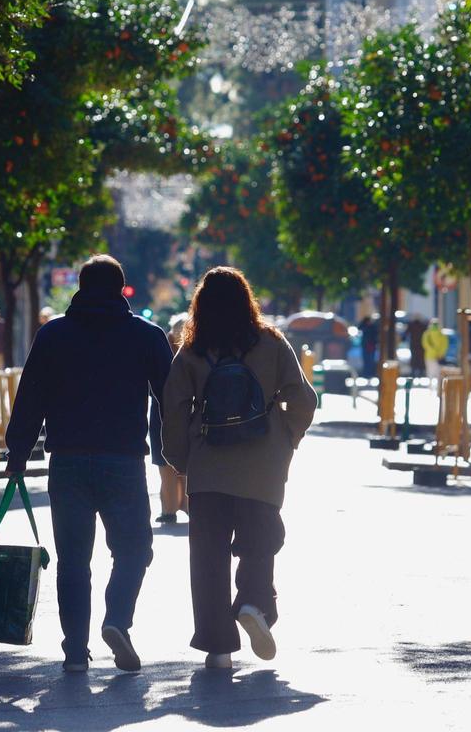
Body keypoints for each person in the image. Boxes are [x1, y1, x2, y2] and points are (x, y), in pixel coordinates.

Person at [5, 255, 172, 674]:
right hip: (123, 461)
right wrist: (179, 451)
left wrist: (18, 452)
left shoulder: (54, 335)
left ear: (80, 285)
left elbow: (31, 398)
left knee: (74, 559)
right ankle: (116, 619)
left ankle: (75, 651)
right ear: (121, 288)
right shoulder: (146, 336)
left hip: (68, 462)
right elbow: (170, 399)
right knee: (134, 549)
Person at [161, 267, 317, 670]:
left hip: (209, 467)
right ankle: (254, 604)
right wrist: (285, 440)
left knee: (208, 557)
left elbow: (174, 409)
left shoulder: (192, 349)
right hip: (262, 465)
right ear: (247, 300)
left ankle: (218, 648)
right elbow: (303, 400)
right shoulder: (271, 342)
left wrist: (180, 459)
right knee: (259, 542)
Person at [153, 314, 188, 525]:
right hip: (183, 413)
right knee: (182, 462)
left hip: (162, 413)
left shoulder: (164, 351)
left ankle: (170, 508)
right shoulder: (196, 353)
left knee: (165, 463)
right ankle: (181, 504)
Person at [406, 313, 428, 380]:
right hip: (421, 345)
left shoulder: (411, 325)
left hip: (413, 345)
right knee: (420, 359)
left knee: (414, 358)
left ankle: (413, 372)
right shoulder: (423, 325)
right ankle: (421, 372)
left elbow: (406, 333)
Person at [358, 313, 380, 378]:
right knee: (366, 360)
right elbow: (359, 328)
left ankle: (370, 373)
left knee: (371, 360)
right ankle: (366, 373)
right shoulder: (364, 326)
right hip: (365, 346)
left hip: (371, 346)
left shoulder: (373, 327)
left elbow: (376, 334)